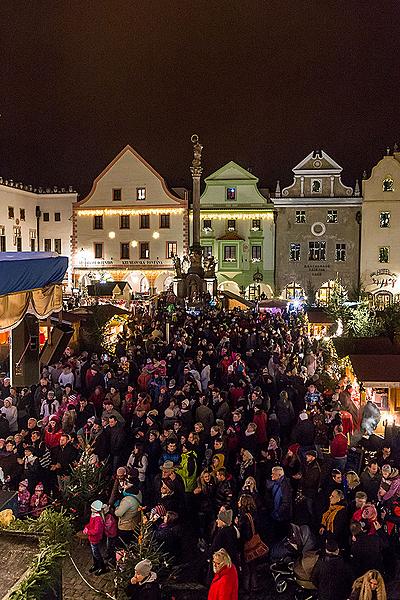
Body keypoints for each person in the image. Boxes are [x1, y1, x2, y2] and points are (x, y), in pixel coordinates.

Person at [83, 499, 107, 576]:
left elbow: (96, 531)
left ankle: (102, 567)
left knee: (96, 554)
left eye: (92, 508)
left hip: (95, 538)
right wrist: (87, 527)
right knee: (94, 553)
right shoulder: (93, 515)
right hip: (92, 538)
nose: (91, 509)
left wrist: (88, 531)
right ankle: (96, 565)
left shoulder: (98, 519)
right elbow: (90, 524)